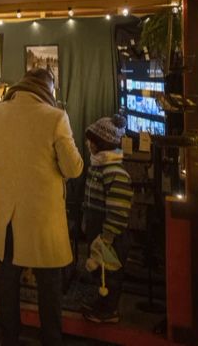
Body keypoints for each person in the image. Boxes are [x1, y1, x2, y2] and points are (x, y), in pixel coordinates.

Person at [0, 68, 83, 346]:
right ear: (48, 89)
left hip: (10, 217)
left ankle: (8, 337)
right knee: (49, 287)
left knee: (8, 282)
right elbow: (73, 169)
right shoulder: (55, 117)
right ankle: (51, 340)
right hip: (43, 218)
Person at [81, 114, 133, 324]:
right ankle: (101, 304)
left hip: (111, 234)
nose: (88, 144)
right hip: (98, 229)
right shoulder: (97, 167)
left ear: (101, 143)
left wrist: (107, 236)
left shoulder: (115, 172)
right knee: (100, 270)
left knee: (111, 271)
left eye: (91, 140)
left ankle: (109, 309)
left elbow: (118, 210)